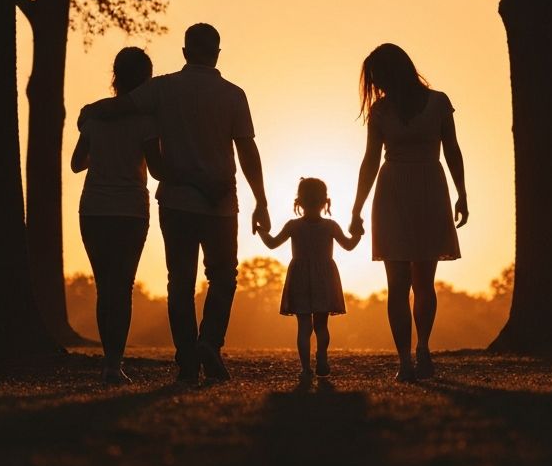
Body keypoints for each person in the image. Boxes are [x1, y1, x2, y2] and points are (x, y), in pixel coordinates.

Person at [81, 23, 269, 385]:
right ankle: (210, 342)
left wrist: (89, 111)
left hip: (177, 202)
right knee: (223, 276)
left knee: (180, 282)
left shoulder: (162, 89)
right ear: (216, 53)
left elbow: (119, 108)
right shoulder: (233, 95)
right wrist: (261, 201)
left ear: (185, 53)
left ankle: (187, 361)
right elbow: (247, 150)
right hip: (221, 202)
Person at [349, 43, 469, 381]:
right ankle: (404, 359)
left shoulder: (439, 103)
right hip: (392, 193)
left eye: (379, 76)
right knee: (397, 283)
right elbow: (370, 160)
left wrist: (462, 193)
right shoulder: (380, 112)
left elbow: (452, 150)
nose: (377, 84)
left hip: (430, 189)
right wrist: (357, 207)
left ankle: (424, 348)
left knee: (424, 281)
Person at [71, 47, 164, 385]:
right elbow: (156, 170)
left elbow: (76, 163)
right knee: (121, 287)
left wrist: (103, 154)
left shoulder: (94, 118)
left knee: (103, 287)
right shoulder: (147, 122)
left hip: (94, 208)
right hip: (130, 212)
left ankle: (108, 364)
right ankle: (113, 363)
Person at [258, 177, 361, 382]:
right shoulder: (331, 226)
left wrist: (260, 229)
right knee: (321, 325)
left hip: (299, 279)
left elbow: (271, 243)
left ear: (299, 202)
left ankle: (306, 369)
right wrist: (358, 233)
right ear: (325, 202)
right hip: (324, 279)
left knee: (303, 327)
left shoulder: (293, 226)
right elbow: (349, 246)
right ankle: (322, 356)